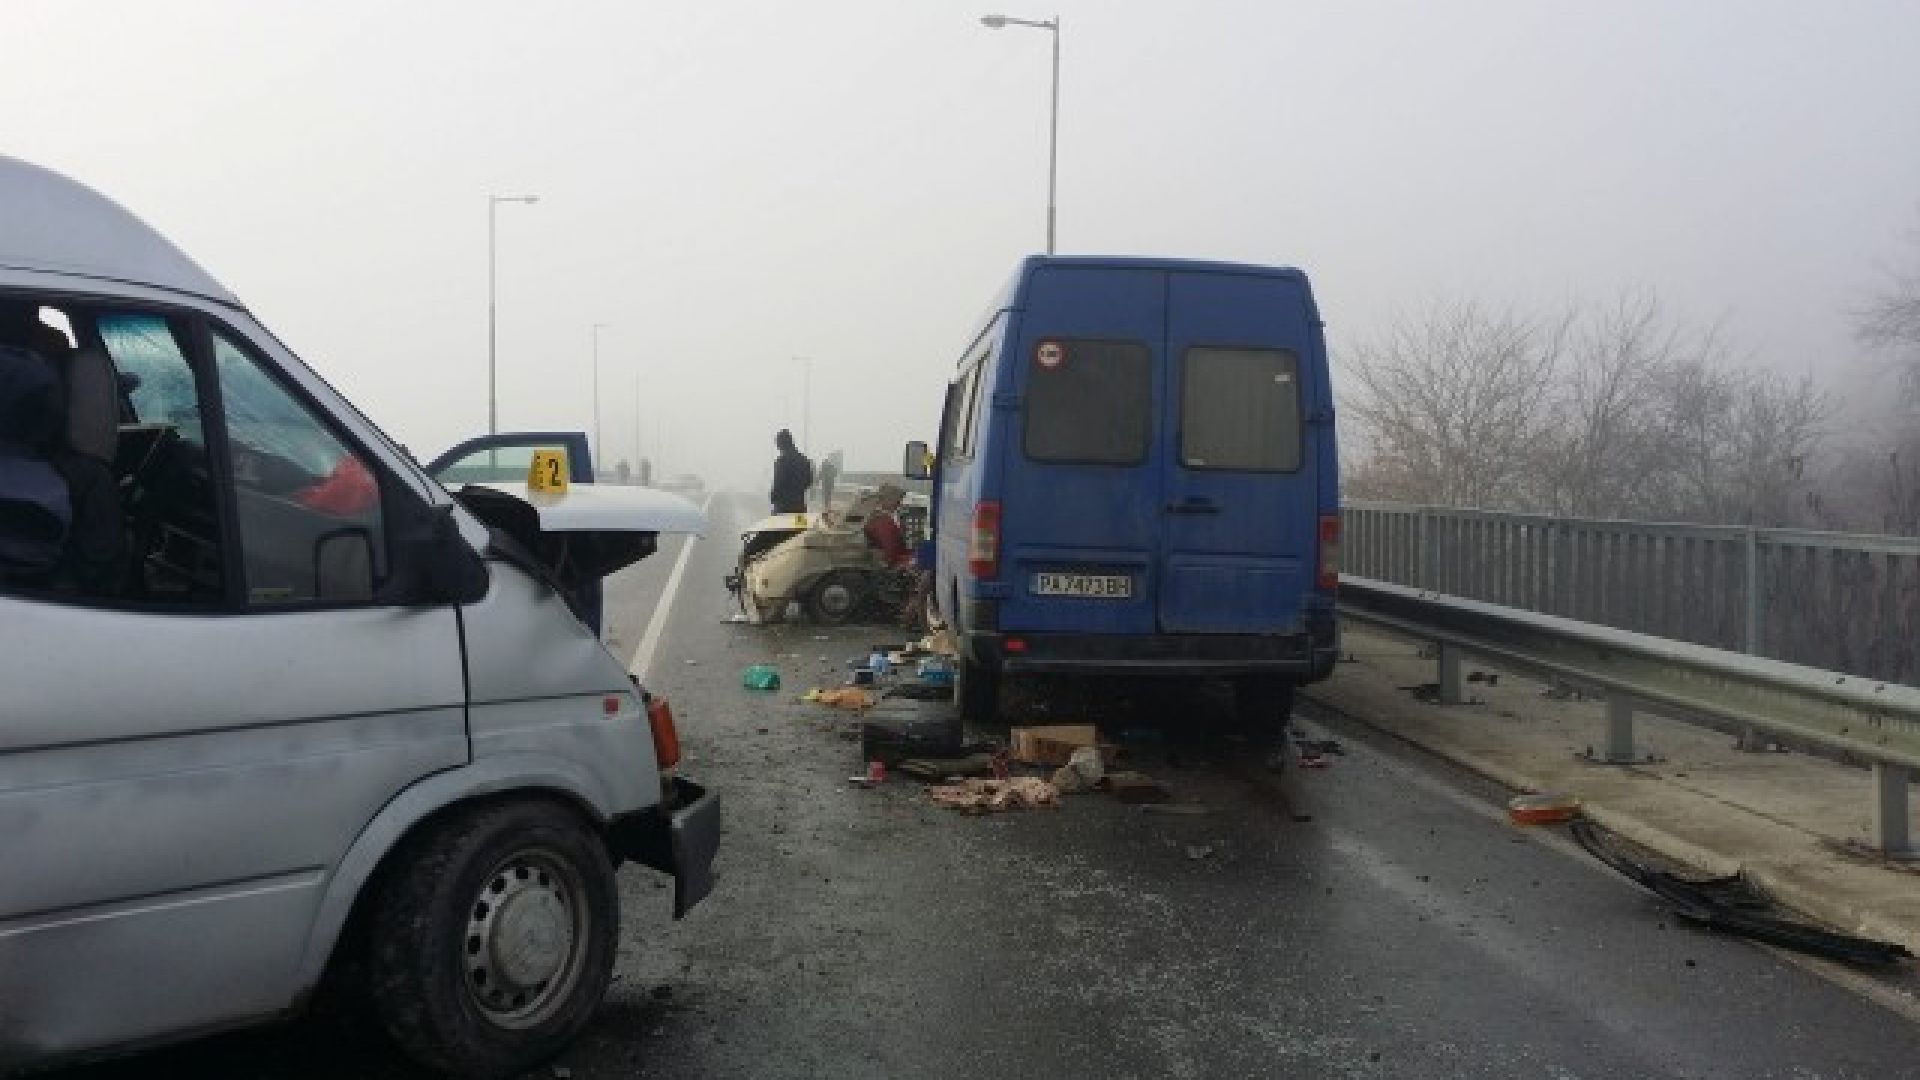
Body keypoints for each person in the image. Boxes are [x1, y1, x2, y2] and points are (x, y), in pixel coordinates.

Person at [769, 428, 812, 515]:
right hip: (800, 506)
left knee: (781, 527)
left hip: (784, 508)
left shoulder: (782, 461)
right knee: (800, 528)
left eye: (778, 445)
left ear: (781, 444)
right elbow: (809, 481)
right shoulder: (804, 460)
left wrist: (773, 497)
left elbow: (778, 483)